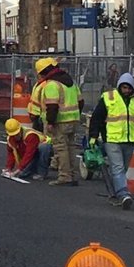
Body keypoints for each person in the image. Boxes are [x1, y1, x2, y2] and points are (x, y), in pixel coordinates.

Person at [89, 72, 134, 210]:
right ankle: (123, 194)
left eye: (129, 88)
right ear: (119, 86)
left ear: (133, 88)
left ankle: (115, 192)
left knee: (123, 168)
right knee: (118, 167)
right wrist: (93, 135)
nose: (126, 90)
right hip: (111, 139)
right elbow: (97, 118)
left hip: (129, 141)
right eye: (124, 87)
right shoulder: (108, 98)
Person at [34, 56, 82, 186]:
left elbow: (52, 106)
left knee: (61, 149)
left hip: (60, 122)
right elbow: (80, 101)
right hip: (73, 119)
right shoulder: (71, 82)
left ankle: (64, 176)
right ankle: (72, 175)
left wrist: (50, 122)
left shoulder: (52, 85)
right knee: (71, 147)